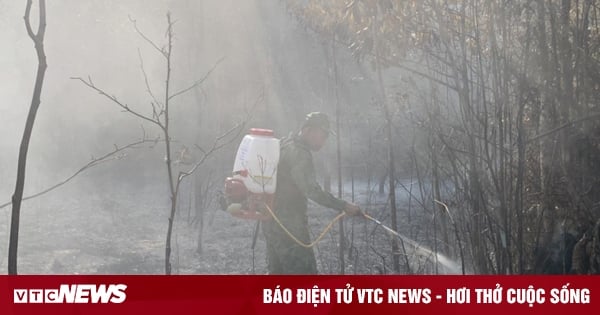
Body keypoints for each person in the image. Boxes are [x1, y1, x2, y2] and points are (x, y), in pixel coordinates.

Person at [262, 112, 362, 274]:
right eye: (322, 134)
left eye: (326, 136)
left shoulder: (284, 143)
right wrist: (343, 205)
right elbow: (311, 190)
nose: (324, 140)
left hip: (271, 224)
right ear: (308, 130)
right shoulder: (299, 153)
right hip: (290, 228)